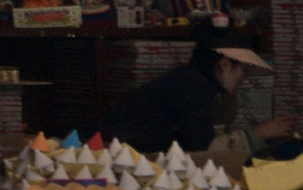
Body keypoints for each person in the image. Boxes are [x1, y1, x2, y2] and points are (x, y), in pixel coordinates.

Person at [98, 32, 294, 156]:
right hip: (118, 157)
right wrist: (259, 134)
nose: (244, 78)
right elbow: (203, 153)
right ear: (225, 64)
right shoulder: (192, 87)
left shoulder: (196, 82)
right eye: (242, 69)